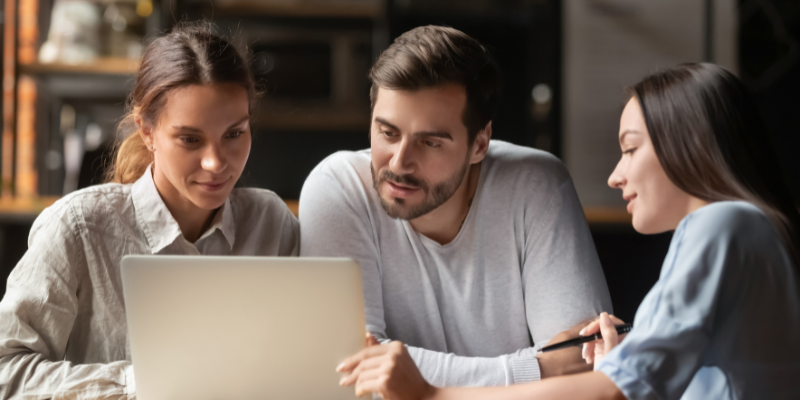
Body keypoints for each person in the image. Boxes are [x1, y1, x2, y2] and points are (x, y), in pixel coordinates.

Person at [336, 63, 800, 400]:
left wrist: (434, 394)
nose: (616, 176)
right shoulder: (752, 231)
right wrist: (620, 362)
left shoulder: (722, 224)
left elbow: (613, 393)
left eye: (631, 149)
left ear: (689, 145)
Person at [300, 25, 612, 387]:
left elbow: (587, 365)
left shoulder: (537, 184)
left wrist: (414, 383)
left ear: (480, 144)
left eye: (430, 142)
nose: (399, 163)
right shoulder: (338, 188)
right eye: (388, 133)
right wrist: (540, 368)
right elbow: (348, 372)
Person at [0, 24, 299, 399]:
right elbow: (6, 370)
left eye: (234, 134)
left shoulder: (271, 222)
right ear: (147, 131)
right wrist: (141, 384)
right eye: (190, 139)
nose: (215, 162)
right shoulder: (79, 228)